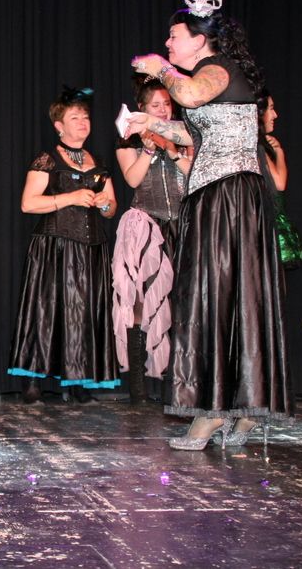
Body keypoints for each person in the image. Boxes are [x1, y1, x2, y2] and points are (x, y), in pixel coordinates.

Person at [130, 0, 293, 448]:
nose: (168, 43)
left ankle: (213, 412)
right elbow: (198, 130)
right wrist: (151, 124)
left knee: (213, 297)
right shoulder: (216, 75)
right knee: (231, 298)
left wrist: (160, 68)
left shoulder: (216, 69)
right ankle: (241, 409)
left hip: (226, 198)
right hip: (223, 197)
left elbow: (190, 94)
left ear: (199, 40)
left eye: (174, 36)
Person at [8, 87, 119, 404]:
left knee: (83, 314)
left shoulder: (98, 163)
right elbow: (28, 204)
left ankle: (78, 380)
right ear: (59, 125)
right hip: (54, 248)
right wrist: (70, 197)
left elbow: (111, 209)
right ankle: (32, 380)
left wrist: (104, 204)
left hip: (90, 248)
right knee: (45, 312)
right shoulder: (47, 159)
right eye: (75, 118)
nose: (83, 122)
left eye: (86, 117)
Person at [112, 77, 192, 403]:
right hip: (146, 226)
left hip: (181, 226)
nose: (162, 110)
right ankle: (138, 388)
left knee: (181, 305)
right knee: (140, 305)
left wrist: (171, 150)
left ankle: (177, 385)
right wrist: (148, 148)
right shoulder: (128, 140)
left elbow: (195, 175)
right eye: (155, 105)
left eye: (167, 104)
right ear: (142, 108)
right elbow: (132, 179)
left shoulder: (185, 136)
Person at [258, 90, 302, 269]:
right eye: (271, 109)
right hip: (265, 222)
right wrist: (279, 153)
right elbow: (279, 183)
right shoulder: (256, 146)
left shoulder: (259, 144)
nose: (275, 115)